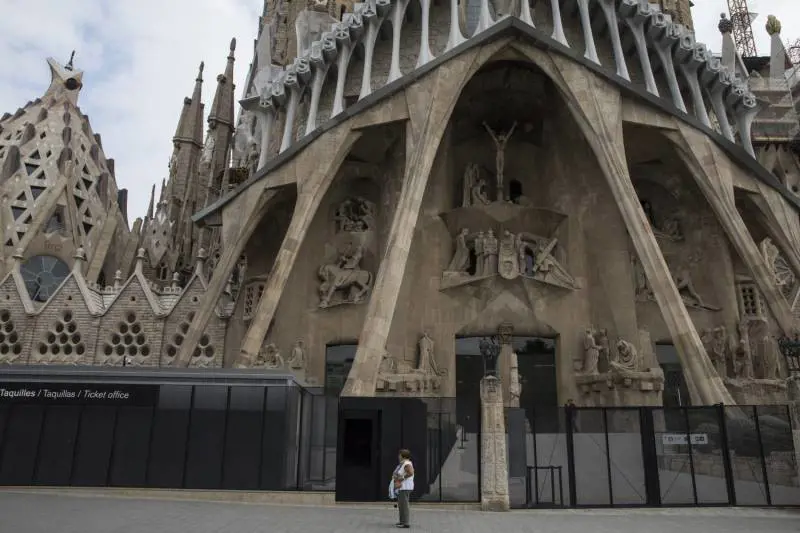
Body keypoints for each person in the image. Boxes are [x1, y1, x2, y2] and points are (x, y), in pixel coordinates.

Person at [390, 449, 414, 528]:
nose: (398, 456)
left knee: (404, 505)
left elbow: (411, 472)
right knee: (401, 505)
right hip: (402, 487)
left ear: (403, 456)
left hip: (405, 487)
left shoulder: (407, 463)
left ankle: (405, 523)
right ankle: (402, 521)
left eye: (399, 455)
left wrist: (402, 478)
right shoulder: (403, 463)